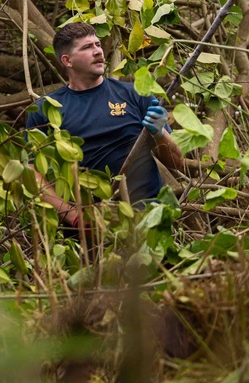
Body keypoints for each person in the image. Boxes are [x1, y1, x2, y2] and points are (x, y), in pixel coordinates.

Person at [25, 20, 185, 228]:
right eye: (87, 47)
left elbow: (177, 163)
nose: (98, 52)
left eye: (98, 45)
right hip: (90, 226)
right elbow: (33, 173)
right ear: (67, 60)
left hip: (149, 218)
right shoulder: (46, 109)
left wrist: (159, 133)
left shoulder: (135, 95)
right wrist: (72, 215)